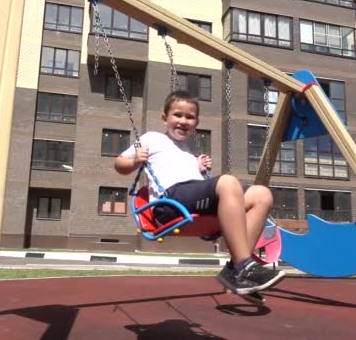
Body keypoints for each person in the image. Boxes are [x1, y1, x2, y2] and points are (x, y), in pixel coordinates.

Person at [115, 90, 285, 295]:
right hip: (169, 203)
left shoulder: (188, 152)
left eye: (190, 117)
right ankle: (244, 267)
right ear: (164, 118)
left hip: (192, 201)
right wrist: (134, 161)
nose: (183, 121)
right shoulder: (152, 138)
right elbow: (119, 163)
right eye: (177, 115)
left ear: (195, 123)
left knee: (261, 194)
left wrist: (199, 170)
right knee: (228, 182)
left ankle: (234, 269)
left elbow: (193, 183)